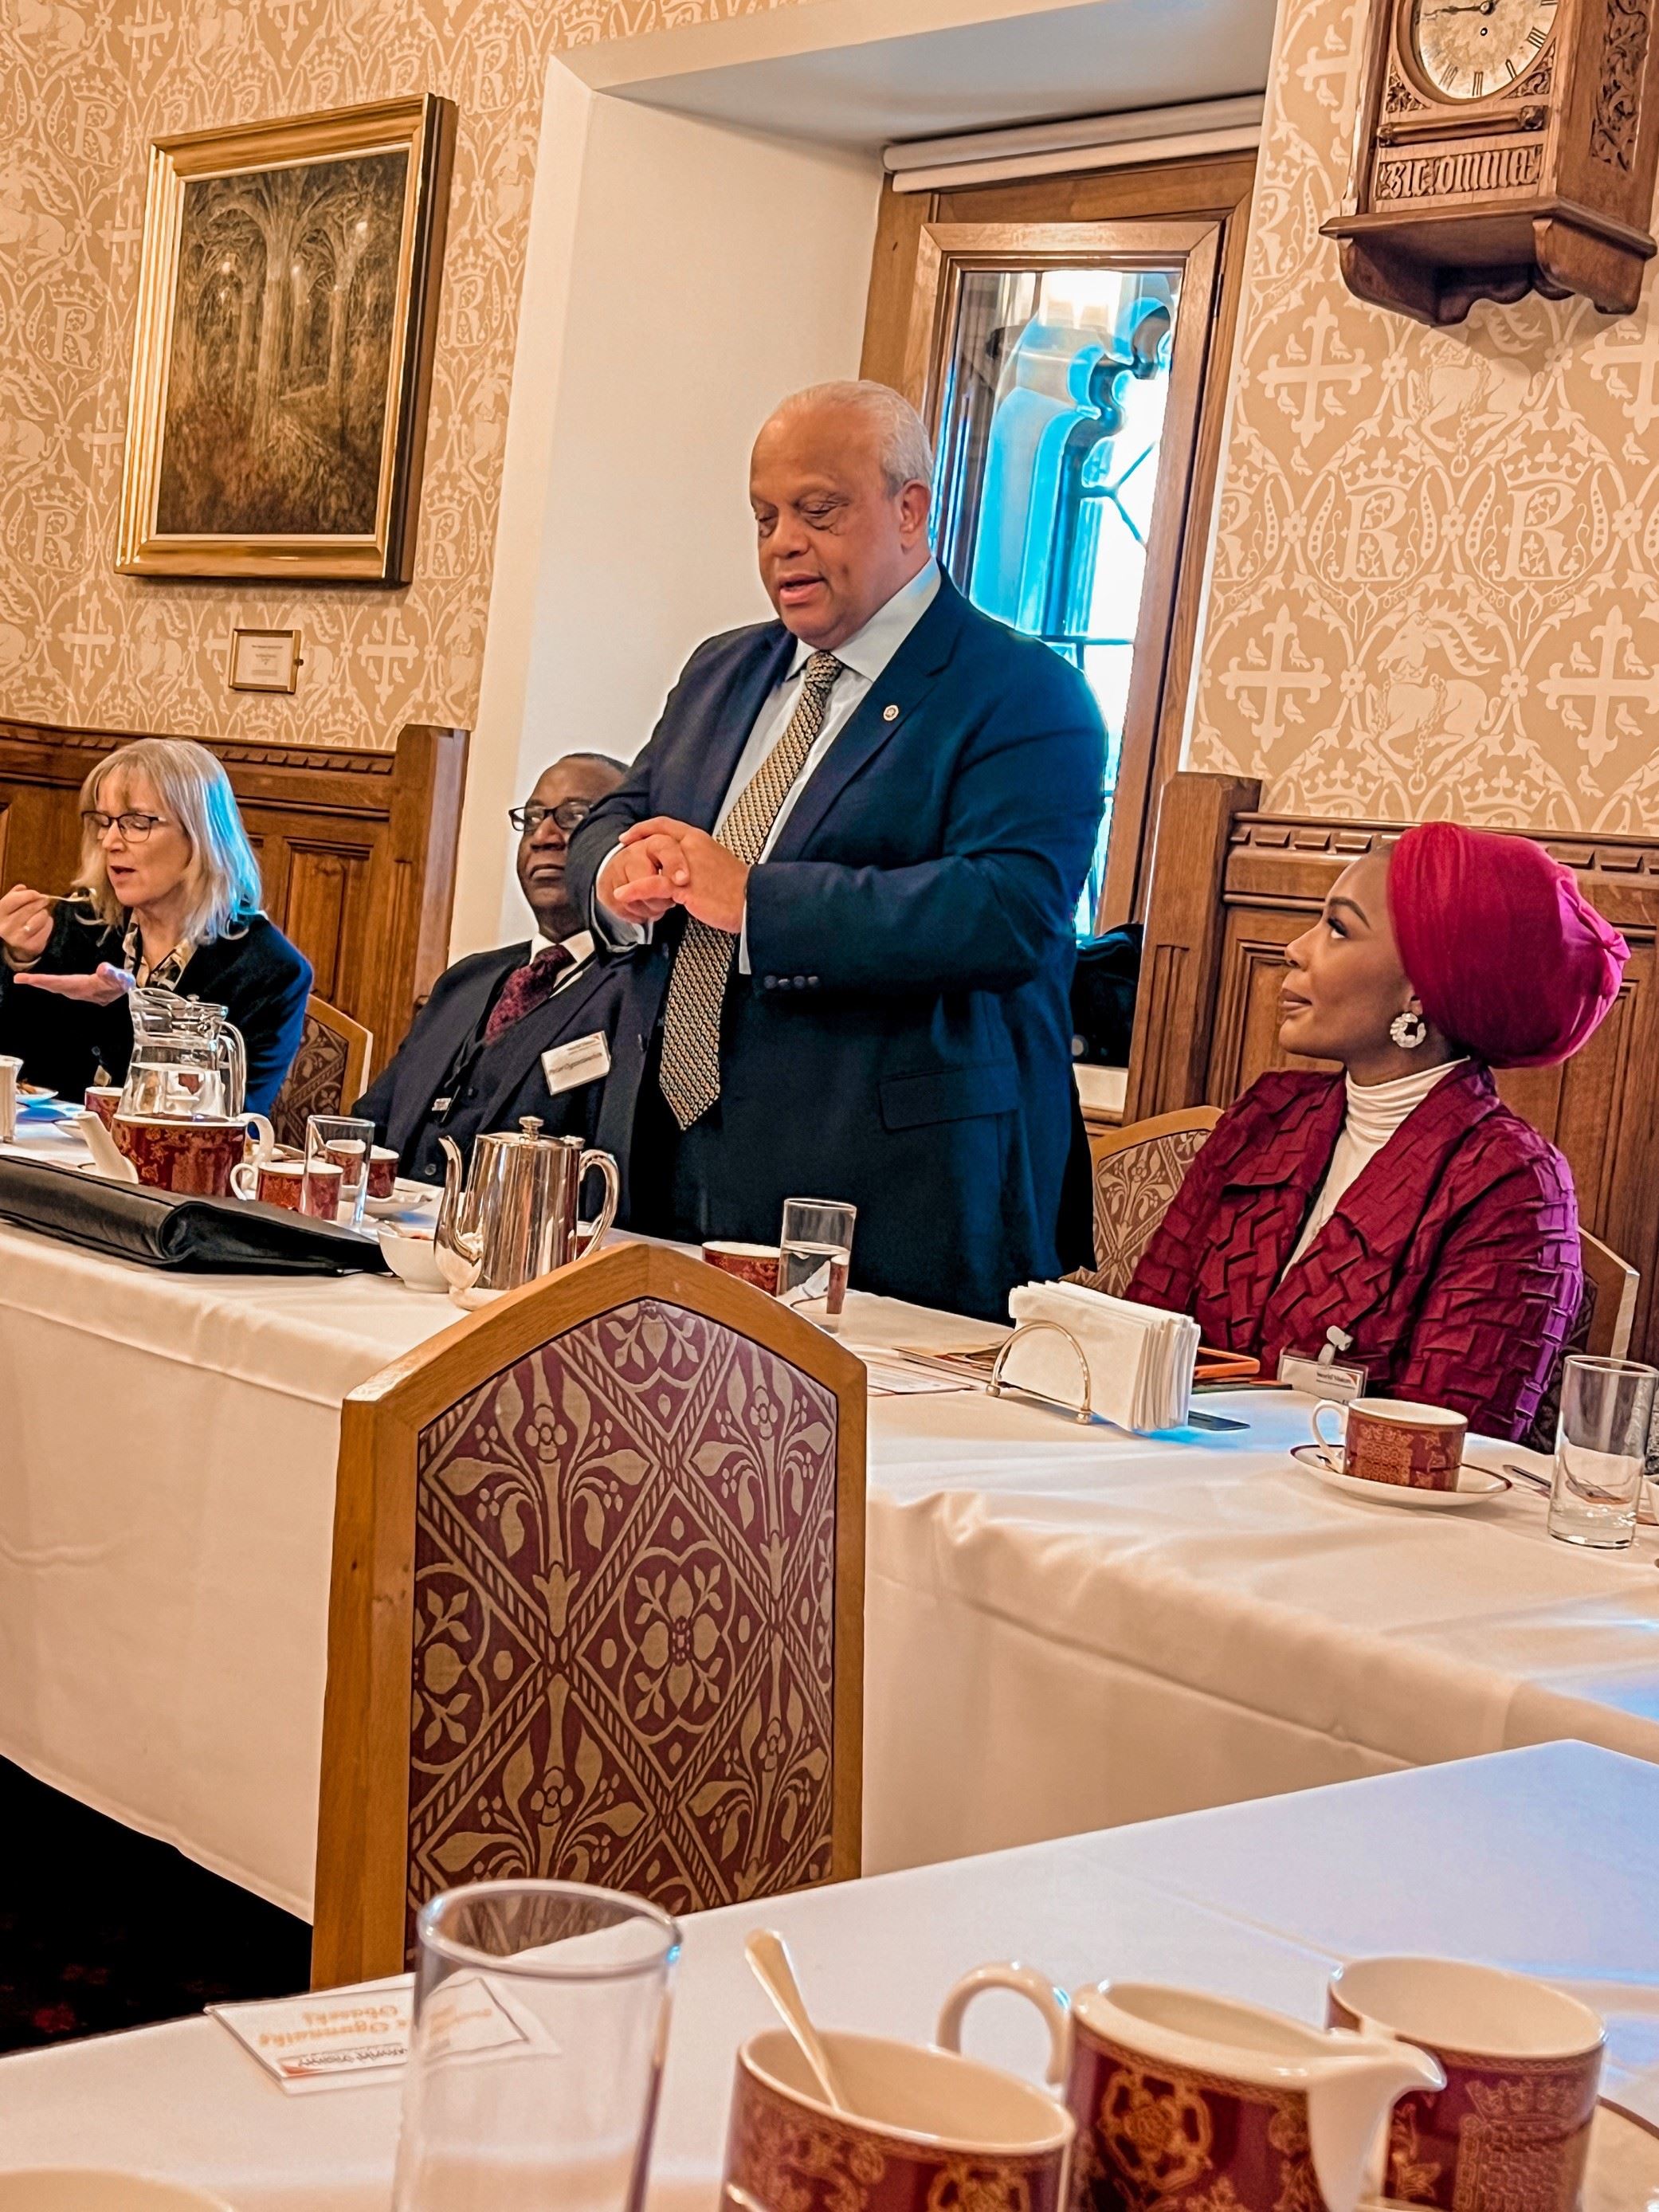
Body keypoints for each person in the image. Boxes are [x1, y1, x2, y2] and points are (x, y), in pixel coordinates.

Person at [566, 379, 1105, 1321]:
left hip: (883, 1190)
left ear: (910, 508)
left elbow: (1008, 912)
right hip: (663, 1150)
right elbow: (624, 811)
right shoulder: (723, 667)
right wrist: (617, 874)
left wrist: (760, 904)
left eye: (818, 510)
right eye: (764, 516)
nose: (783, 542)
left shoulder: (1021, 690)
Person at [1128, 822, 1630, 1441]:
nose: (1296, 949)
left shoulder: (1517, 1185)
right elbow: (1134, 1338)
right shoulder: (1268, 1115)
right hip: (1163, 1488)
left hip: (1348, 1529)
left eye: (1338, 928)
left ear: (1421, 987)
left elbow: (1438, 1453)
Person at [0, 738, 310, 1118]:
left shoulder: (270, 970)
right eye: (104, 822)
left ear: (199, 836)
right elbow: (20, 1075)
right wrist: (18, 960)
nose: (110, 841)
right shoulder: (79, 922)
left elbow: (227, 1122)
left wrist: (134, 1009)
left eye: (136, 822)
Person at [356, 753, 629, 1183]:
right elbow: (368, 1127)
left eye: (575, 817)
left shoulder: (637, 994)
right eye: (534, 817)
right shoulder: (465, 981)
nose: (545, 835)